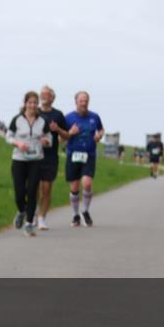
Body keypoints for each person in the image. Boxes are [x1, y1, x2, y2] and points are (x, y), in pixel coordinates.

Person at [6, 91, 51, 236]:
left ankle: (29, 223)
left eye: (35, 102)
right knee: (19, 192)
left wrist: (46, 141)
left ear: (37, 104)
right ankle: (21, 211)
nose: (32, 105)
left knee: (32, 191)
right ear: (25, 103)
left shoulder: (42, 121)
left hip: (36, 160)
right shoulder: (17, 119)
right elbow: (8, 136)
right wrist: (18, 143)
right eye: (30, 102)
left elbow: (49, 138)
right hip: (19, 159)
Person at [62, 91, 105, 227]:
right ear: (76, 102)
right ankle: (75, 215)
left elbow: (101, 129)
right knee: (74, 187)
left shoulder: (94, 116)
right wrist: (70, 132)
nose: (84, 103)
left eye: (86, 101)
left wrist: (99, 135)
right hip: (73, 154)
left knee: (86, 184)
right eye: (81, 101)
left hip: (89, 154)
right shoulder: (68, 118)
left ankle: (85, 211)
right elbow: (61, 138)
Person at [36, 86, 68, 231]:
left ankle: (41, 218)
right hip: (33, 155)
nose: (43, 96)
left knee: (47, 189)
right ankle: (33, 212)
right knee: (34, 188)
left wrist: (58, 129)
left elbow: (66, 136)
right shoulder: (34, 111)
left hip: (50, 157)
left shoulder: (58, 115)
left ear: (52, 98)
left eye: (46, 94)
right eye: (42, 94)